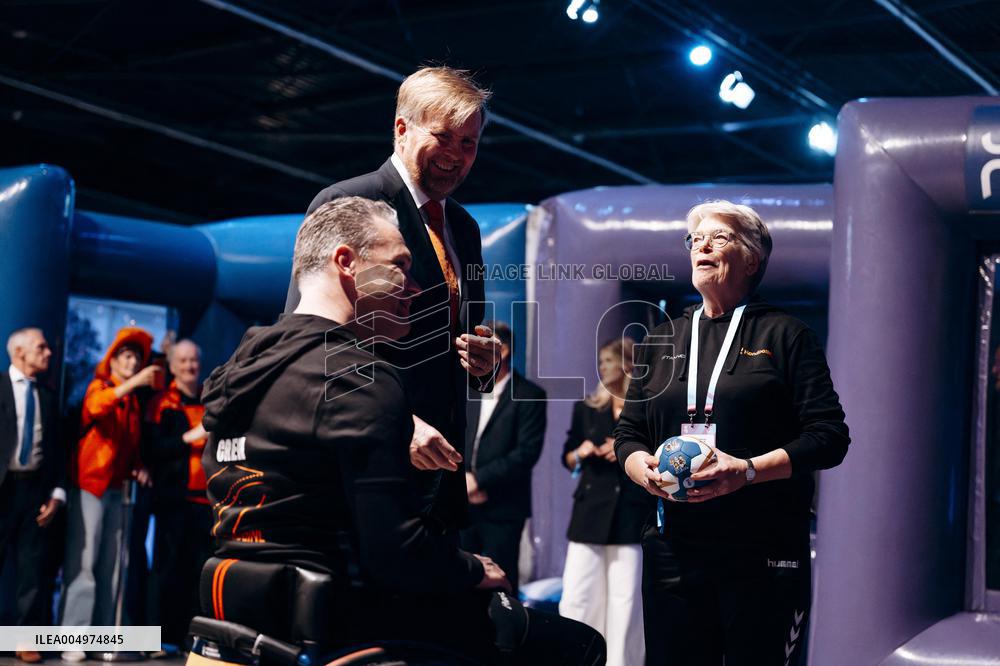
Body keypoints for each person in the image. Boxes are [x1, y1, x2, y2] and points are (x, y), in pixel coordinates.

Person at [203, 197, 604, 664]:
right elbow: (394, 551)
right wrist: (472, 566)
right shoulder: (357, 380)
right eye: (400, 266)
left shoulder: (242, 366)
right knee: (579, 645)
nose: (415, 288)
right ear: (346, 263)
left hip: (243, 604)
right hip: (348, 613)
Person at [615, 200, 850, 666]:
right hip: (674, 549)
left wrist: (744, 472)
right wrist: (642, 469)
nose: (701, 245)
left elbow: (829, 436)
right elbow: (629, 432)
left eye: (718, 237)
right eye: (694, 239)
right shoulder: (662, 339)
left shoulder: (786, 335)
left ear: (750, 259)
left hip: (762, 550)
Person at [284, 65, 500, 535]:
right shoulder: (348, 201)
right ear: (402, 129)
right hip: (366, 464)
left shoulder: (464, 227)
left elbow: (459, 340)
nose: (456, 155)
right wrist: (399, 424)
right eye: (443, 137)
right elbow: (307, 344)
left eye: (469, 143)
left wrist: (484, 362)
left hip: (439, 474)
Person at [61, 327, 159, 662]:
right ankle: (72, 637)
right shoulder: (101, 387)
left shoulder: (131, 401)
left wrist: (138, 467)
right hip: (90, 485)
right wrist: (131, 384)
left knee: (113, 566)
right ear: (113, 361)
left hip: (119, 489)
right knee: (84, 562)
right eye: (127, 356)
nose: (133, 362)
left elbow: (128, 448)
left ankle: (104, 636)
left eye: (136, 357)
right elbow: (97, 407)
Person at [559, 338, 652, 666]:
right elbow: (566, 457)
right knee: (578, 595)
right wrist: (581, 452)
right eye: (600, 362)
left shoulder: (644, 408)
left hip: (630, 512)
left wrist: (626, 452)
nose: (602, 368)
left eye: (609, 361)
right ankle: (577, 657)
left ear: (627, 364)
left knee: (626, 601)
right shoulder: (587, 408)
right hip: (589, 512)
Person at [461, 322, 546, 594]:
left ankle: (505, 637)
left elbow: (526, 453)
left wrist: (479, 481)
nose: (474, 355)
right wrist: (461, 482)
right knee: (462, 581)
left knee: (501, 583)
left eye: (483, 347)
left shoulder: (530, 395)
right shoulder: (467, 389)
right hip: (462, 504)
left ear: (504, 351)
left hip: (503, 507)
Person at [0, 328, 63, 664]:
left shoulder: (49, 397)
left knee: (32, 571)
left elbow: (56, 452)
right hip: (2, 489)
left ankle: (25, 640)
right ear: (20, 351)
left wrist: (55, 495)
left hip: (34, 493)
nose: (49, 353)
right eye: (41, 347)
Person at [144, 339, 212, 651]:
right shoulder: (161, 403)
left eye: (194, 360)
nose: (189, 366)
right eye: (183, 361)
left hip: (206, 503)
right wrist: (188, 438)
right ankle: (156, 639)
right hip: (173, 501)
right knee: (165, 571)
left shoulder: (209, 399)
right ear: (172, 366)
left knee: (199, 574)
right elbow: (153, 450)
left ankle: (191, 640)